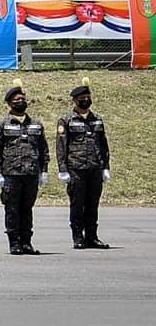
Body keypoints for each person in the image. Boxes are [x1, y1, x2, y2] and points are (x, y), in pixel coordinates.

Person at [0, 81, 49, 256]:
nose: (20, 102)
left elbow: (43, 149)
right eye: (16, 100)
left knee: (27, 208)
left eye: (23, 99)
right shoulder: (1, 124)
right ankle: (14, 242)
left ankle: (27, 242)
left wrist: (44, 170)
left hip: (31, 173)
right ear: (9, 103)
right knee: (12, 209)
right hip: (11, 174)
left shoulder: (36, 124)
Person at [57, 82, 113, 250]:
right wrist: (63, 169)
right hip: (76, 169)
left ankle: (92, 236)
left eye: (88, 98)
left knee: (92, 204)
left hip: (95, 168)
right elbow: (61, 146)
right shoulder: (66, 120)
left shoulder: (97, 120)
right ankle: (77, 237)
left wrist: (105, 167)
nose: (86, 100)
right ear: (74, 100)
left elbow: (103, 145)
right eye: (82, 98)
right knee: (77, 203)